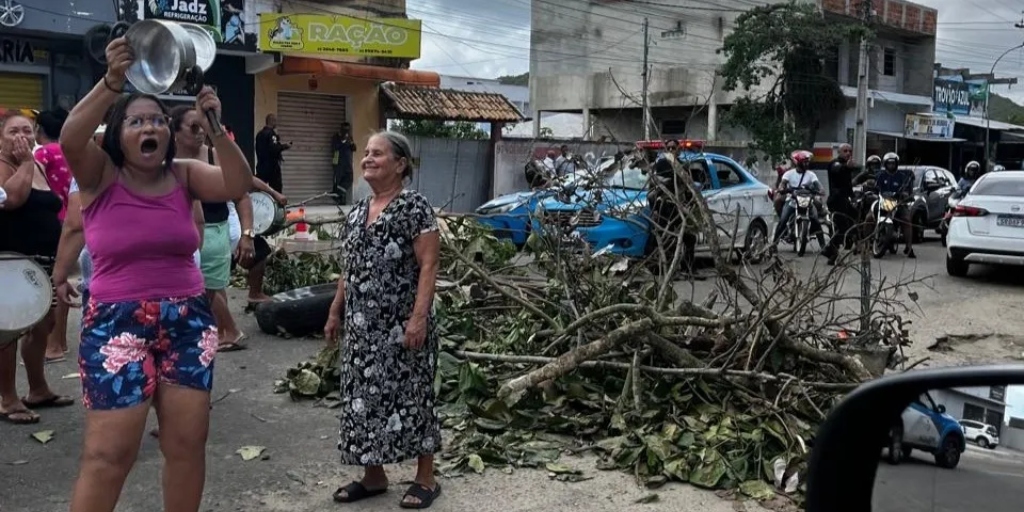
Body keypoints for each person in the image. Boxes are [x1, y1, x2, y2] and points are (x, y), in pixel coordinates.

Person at [59, 34, 252, 511]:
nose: (150, 127)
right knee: (108, 454)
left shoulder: (184, 175)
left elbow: (237, 183)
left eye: (157, 120)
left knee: (186, 447)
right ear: (118, 133)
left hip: (188, 323)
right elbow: (69, 137)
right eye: (137, 120)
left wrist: (215, 127)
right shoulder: (100, 176)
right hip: (115, 326)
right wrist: (110, 83)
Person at [323, 131, 443, 509]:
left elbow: (429, 264)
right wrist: (334, 309)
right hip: (362, 328)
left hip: (401, 324)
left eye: (378, 153)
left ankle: (426, 477)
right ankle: (373, 475)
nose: (368, 159)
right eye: (366, 153)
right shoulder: (359, 210)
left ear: (400, 163)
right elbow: (350, 266)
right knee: (362, 399)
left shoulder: (414, 207)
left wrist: (418, 318)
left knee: (413, 395)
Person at [0, 111, 75, 424]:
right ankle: (7, 398)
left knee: (42, 326)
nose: (22, 136)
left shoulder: (40, 165)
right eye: (13, 131)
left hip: (43, 263)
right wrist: (27, 163)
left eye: (27, 130)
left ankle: (38, 389)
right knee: (8, 332)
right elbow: (12, 199)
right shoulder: (8, 165)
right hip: (11, 263)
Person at [171, 106, 251, 352]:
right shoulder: (167, 159)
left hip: (214, 231)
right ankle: (215, 331)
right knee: (204, 287)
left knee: (209, 286)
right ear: (174, 132)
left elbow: (242, 193)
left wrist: (247, 234)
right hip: (180, 232)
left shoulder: (214, 155)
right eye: (193, 128)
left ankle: (229, 331)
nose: (199, 134)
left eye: (202, 128)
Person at [32, 110, 76, 362]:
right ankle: (60, 341)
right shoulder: (73, 149)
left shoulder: (43, 154)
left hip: (51, 222)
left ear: (39, 129)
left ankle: (53, 345)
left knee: (52, 282)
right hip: (72, 220)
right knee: (63, 281)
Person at [645, 146, 699, 275]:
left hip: (679, 211)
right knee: (665, 240)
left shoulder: (682, 167)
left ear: (678, 150)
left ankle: (688, 268)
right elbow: (652, 194)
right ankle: (663, 268)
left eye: (673, 147)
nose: (671, 149)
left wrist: (690, 204)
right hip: (664, 211)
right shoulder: (662, 165)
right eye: (668, 147)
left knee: (689, 239)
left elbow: (689, 188)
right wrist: (655, 210)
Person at [771, 150, 826, 249]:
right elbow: (782, 184)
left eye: (807, 162)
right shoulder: (789, 174)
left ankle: (823, 246)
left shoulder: (811, 174)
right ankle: (774, 244)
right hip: (792, 201)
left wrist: (821, 190)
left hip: (808, 201)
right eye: (804, 162)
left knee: (816, 221)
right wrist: (782, 189)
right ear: (798, 162)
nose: (807, 164)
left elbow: (818, 185)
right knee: (783, 220)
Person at [871, 152, 916, 258]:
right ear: (885, 164)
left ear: (896, 164)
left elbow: (908, 191)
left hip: (898, 203)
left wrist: (906, 194)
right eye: (889, 163)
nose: (891, 165)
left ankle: (909, 247)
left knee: (906, 220)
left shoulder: (903, 177)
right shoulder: (879, 175)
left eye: (893, 163)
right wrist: (869, 187)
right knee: (869, 217)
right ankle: (863, 244)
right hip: (882, 201)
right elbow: (873, 185)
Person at [823, 144, 858, 265]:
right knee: (841, 227)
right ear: (839, 152)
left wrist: (853, 197)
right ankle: (830, 250)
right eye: (845, 151)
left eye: (850, 151)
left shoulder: (847, 167)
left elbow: (847, 185)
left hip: (845, 200)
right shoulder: (835, 164)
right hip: (836, 201)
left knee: (853, 222)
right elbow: (838, 169)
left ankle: (832, 253)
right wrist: (847, 167)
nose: (848, 153)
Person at [255, 114, 291, 193]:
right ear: (272, 121)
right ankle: (277, 205)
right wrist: (285, 146)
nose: (276, 123)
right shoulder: (271, 134)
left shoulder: (259, 134)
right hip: (272, 167)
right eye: (275, 121)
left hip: (261, 166)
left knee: (259, 188)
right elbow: (274, 148)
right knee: (276, 189)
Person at [331, 122, 357, 204]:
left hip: (347, 162)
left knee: (349, 179)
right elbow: (335, 148)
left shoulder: (349, 137)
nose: (346, 132)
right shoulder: (336, 137)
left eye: (348, 130)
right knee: (338, 180)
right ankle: (340, 199)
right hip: (338, 162)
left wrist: (351, 142)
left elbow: (354, 148)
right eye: (345, 129)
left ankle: (336, 194)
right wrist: (343, 141)